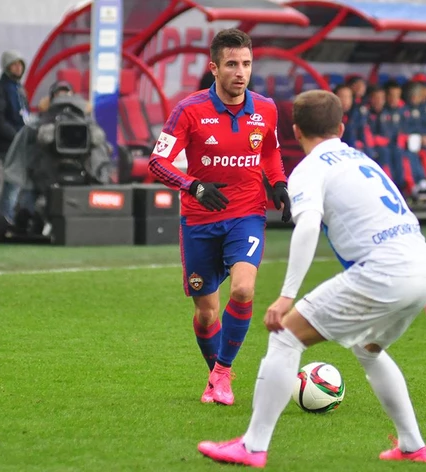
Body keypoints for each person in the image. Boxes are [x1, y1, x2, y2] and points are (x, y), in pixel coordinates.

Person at [198, 90, 426, 468]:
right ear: (341, 127)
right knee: (368, 349)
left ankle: (251, 447)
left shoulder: (310, 169)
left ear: (296, 130)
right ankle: (412, 445)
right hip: (419, 269)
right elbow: (401, 218)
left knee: (285, 336)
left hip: (382, 273)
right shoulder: (363, 159)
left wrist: (286, 296)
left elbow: (307, 228)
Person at [148, 28, 291, 406]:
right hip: (199, 220)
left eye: (246, 64)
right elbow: (158, 162)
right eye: (231, 64)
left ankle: (223, 373)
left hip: (246, 214)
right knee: (206, 312)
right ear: (214, 68)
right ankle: (217, 378)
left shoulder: (265, 108)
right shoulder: (189, 110)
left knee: (243, 290)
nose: (240, 72)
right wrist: (193, 186)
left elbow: (270, 151)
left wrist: (278, 183)